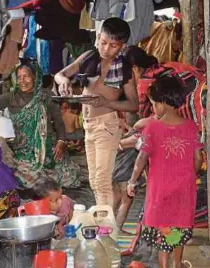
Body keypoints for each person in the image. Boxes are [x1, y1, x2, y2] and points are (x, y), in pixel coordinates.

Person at [54, 17, 138, 209]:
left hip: (107, 125)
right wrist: (64, 82)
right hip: (89, 126)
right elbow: (60, 74)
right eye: (103, 43)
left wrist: (107, 102)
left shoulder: (125, 69)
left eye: (113, 46)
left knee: (101, 182)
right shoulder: (87, 57)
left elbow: (134, 104)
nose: (106, 49)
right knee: (95, 182)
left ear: (122, 46)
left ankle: (105, 230)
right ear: (98, 37)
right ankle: (107, 226)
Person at [127, 76, 202, 268]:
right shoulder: (191, 127)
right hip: (184, 189)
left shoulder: (152, 127)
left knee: (164, 229)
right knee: (179, 226)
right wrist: (190, 176)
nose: (153, 109)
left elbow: (141, 158)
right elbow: (198, 159)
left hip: (160, 189)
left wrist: (132, 181)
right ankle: (177, 264)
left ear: (162, 102)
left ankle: (164, 265)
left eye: (153, 104)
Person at [0, 59, 80, 189]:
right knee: (29, 179)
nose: (22, 81)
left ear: (35, 77)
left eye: (26, 77)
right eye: (19, 77)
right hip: (25, 152)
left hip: (51, 150)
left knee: (68, 178)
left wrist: (61, 141)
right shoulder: (10, 97)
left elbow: (58, 122)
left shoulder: (46, 95)